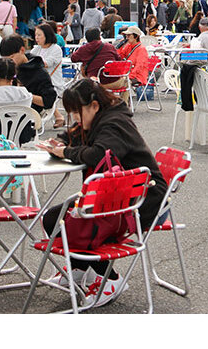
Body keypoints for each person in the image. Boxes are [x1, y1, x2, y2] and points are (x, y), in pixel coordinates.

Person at [38, 79, 167, 306]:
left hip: (143, 201)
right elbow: (75, 135)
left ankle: (111, 280)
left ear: (94, 106)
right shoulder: (100, 120)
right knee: (56, 219)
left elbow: (98, 154)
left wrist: (66, 151)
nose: (76, 119)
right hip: (116, 196)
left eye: (77, 113)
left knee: (72, 224)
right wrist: (59, 142)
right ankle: (79, 269)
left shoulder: (114, 124)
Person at [0, 34, 57, 115]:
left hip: (27, 115)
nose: (9, 62)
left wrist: (25, 95)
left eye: (12, 58)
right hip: (4, 110)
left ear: (22, 50)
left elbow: (48, 101)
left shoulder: (38, 72)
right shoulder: (6, 67)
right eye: (5, 59)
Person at [31, 23, 65, 99]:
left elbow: (45, 64)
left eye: (39, 35)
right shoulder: (37, 49)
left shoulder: (56, 49)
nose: (36, 38)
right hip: (39, 85)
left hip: (53, 85)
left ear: (47, 35)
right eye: (36, 35)